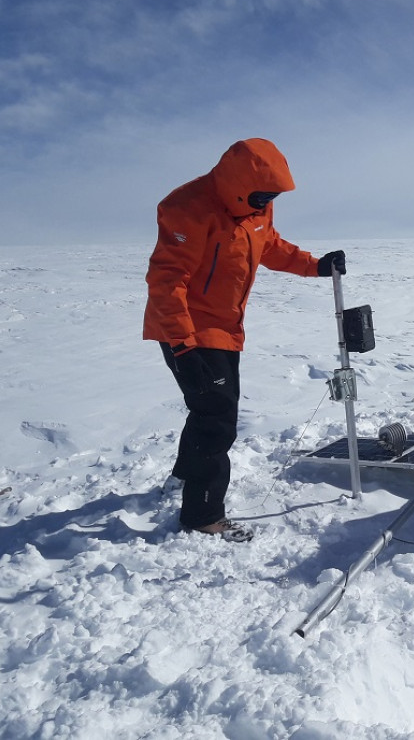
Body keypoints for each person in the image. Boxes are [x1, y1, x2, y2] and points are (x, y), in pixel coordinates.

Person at [143, 138, 346, 543]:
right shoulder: (189, 208)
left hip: (226, 329)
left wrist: (315, 266)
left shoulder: (255, 207)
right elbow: (167, 281)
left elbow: (269, 244)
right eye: (262, 194)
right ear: (237, 184)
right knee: (216, 419)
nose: (267, 201)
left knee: (209, 409)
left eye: (272, 196)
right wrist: (183, 346)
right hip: (187, 328)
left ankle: (185, 475)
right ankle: (203, 515)